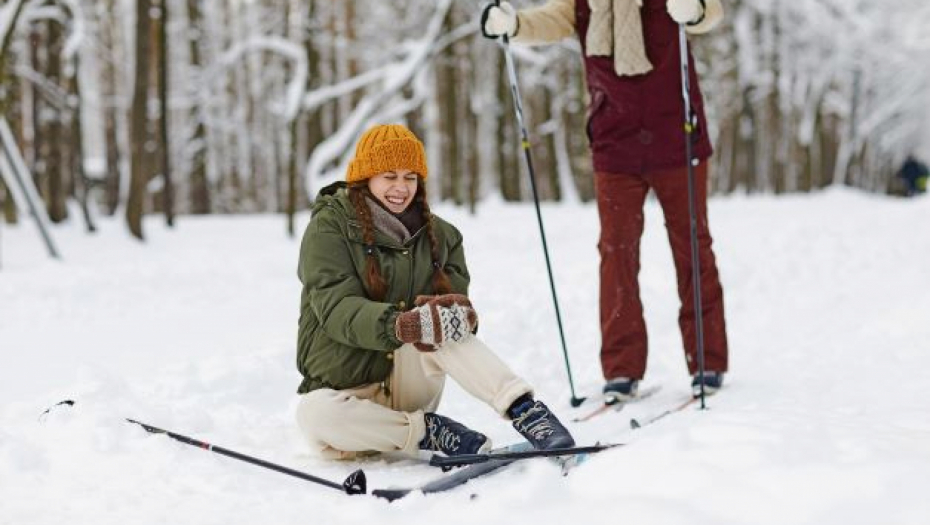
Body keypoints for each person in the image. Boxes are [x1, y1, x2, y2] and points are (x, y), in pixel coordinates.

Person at [480, 0, 729, 400]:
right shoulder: (583, 4)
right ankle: (622, 369)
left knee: (692, 245)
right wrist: (513, 24)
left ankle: (708, 361)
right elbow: (547, 21)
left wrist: (695, 10)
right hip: (615, 144)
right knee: (616, 254)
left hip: (677, 141)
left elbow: (710, 13)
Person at [294, 123, 575, 460]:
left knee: (442, 323)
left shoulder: (442, 237)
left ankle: (525, 411)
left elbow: (455, 315)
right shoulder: (329, 228)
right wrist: (401, 325)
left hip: (409, 385)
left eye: (410, 177)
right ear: (365, 177)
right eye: (389, 176)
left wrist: (460, 315)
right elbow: (336, 307)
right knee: (313, 415)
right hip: (348, 399)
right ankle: (428, 432)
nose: (401, 187)